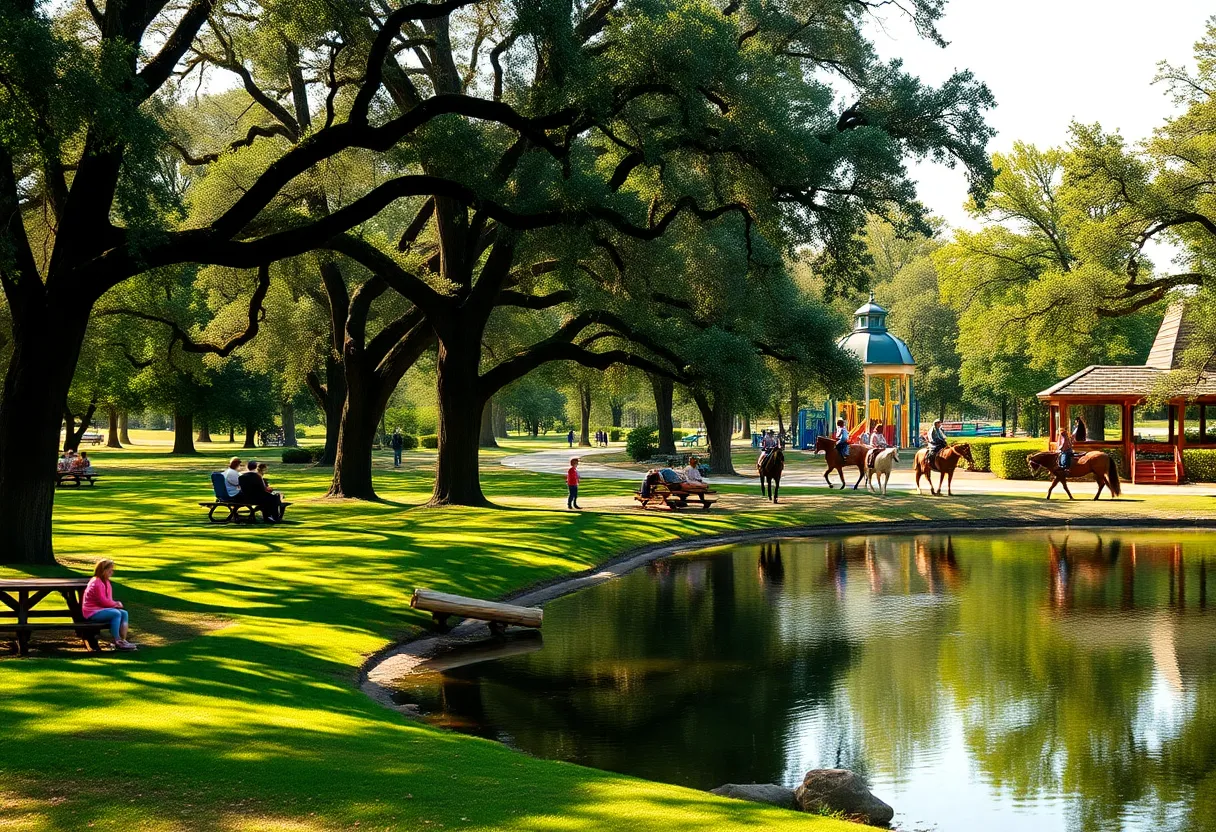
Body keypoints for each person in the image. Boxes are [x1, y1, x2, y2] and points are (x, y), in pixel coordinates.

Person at [83, 559, 136, 651]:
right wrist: (116, 604)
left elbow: (108, 600)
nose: (112, 572)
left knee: (124, 613)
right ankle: (117, 640)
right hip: (92, 612)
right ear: (104, 571)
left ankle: (123, 640)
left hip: (101, 609)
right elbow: (103, 601)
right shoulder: (96, 582)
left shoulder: (106, 582)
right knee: (116, 613)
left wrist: (114, 604)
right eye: (110, 570)